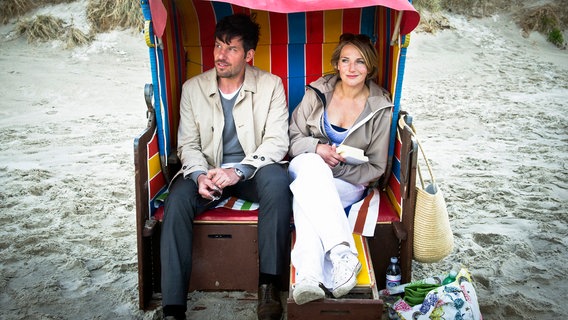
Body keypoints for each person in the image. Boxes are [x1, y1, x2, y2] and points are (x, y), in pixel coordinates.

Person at [160, 14, 291, 320]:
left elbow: (276, 142)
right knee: (177, 199)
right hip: (208, 173)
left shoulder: (271, 86)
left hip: (252, 173)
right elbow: (188, 145)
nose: (220, 55)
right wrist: (197, 174)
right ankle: (173, 307)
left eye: (231, 48)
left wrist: (239, 171)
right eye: (218, 45)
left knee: (277, 181)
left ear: (248, 55)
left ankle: (269, 286)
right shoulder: (193, 88)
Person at [287, 33, 393, 305]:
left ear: (370, 67)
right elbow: (292, 137)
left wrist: (332, 172)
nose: (352, 68)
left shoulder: (380, 106)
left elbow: (377, 166)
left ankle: (308, 277)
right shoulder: (317, 92)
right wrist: (317, 148)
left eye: (360, 62)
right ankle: (343, 253)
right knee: (312, 167)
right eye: (345, 60)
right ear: (336, 64)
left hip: (348, 182)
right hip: (306, 165)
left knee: (307, 201)